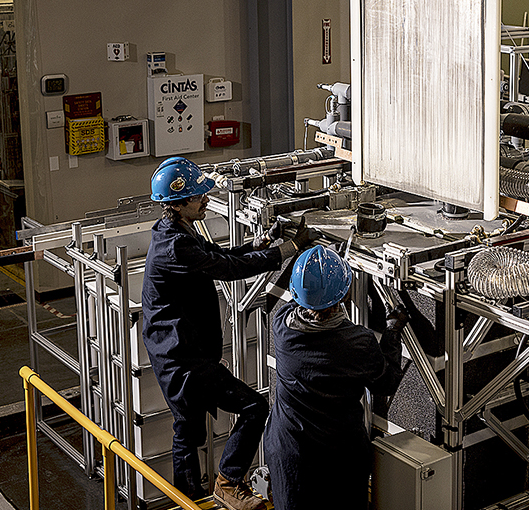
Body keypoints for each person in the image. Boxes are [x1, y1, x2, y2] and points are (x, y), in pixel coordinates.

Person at [141, 157, 315, 510]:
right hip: (183, 360)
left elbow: (220, 254)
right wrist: (286, 251)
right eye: (199, 196)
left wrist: (261, 243)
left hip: (179, 353)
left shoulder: (177, 234)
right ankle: (227, 482)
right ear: (178, 202)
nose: (206, 199)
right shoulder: (175, 246)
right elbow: (227, 268)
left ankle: (189, 500)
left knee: (187, 429)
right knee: (254, 406)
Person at [264, 244, 407, 510]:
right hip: (338, 457)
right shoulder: (356, 343)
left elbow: (301, 298)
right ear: (344, 295)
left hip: (289, 452)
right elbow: (385, 383)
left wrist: (317, 272)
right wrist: (392, 331)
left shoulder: (281, 325)